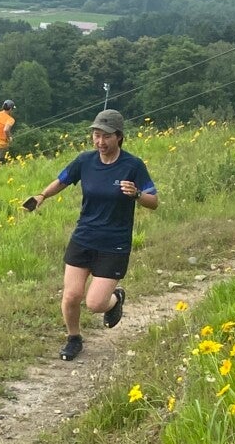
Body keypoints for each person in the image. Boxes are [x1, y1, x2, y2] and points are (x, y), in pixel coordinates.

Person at [24, 109, 158, 362]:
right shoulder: (85, 161)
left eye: (105, 136)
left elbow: (154, 202)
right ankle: (74, 338)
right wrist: (42, 196)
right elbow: (62, 180)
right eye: (96, 136)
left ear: (118, 137)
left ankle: (115, 299)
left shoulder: (133, 165)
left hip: (114, 243)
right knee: (71, 295)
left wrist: (138, 195)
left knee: (95, 304)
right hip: (84, 237)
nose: (100, 142)